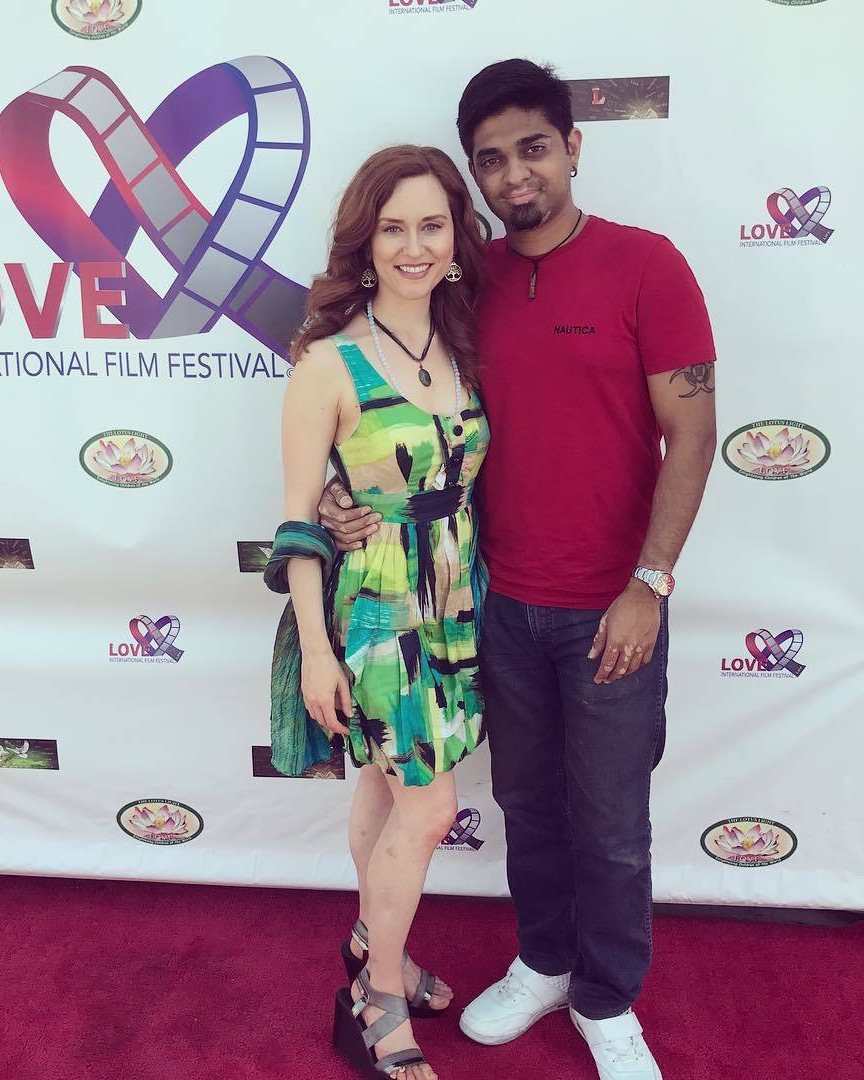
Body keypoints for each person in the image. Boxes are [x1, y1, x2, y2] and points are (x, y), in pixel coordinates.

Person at [319, 60, 717, 1080]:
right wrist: (343, 499)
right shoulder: (464, 282)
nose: (514, 175)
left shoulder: (648, 265)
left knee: (610, 823)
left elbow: (693, 431)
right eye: (490, 160)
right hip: (486, 607)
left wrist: (650, 584)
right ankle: (544, 962)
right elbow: (402, 408)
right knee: (528, 807)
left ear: (573, 147)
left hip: (611, 609)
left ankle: (607, 999)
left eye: (533, 148)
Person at [263, 144, 489, 1080]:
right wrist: (319, 653)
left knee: (387, 792)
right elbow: (296, 525)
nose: (413, 246)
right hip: (377, 619)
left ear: (457, 239)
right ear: (365, 242)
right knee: (430, 808)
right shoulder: (327, 363)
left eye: (432, 225)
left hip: (456, 603)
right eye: (392, 228)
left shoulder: (466, 345)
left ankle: (369, 940)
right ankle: (378, 1000)